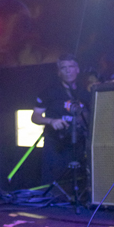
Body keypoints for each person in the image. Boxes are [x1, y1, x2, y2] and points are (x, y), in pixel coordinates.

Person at [32, 54, 90, 187]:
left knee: (77, 182)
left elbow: (89, 116)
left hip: (78, 145)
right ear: (59, 72)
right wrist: (51, 121)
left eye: (71, 66)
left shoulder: (85, 93)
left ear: (77, 69)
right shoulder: (49, 92)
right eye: (64, 68)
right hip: (55, 145)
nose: (68, 70)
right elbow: (35, 117)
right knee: (52, 184)